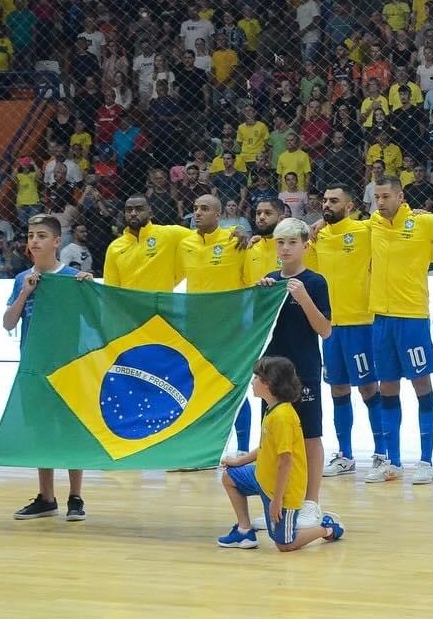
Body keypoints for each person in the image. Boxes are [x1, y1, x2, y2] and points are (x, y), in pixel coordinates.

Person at [4, 215, 87, 521]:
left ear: (56, 242)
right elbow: (8, 323)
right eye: (30, 235)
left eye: (41, 235)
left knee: (71, 430)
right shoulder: (21, 279)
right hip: (33, 368)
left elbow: (94, 323)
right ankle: (46, 497)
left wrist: (88, 292)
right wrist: (25, 291)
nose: (34, 241)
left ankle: (75, 497)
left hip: (67, 368)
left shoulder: (74, 278)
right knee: (40, 431)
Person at [366, 177, 433, 483]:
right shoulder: (372, 224)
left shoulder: (423, 223)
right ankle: (393, 462)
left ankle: (425, 461)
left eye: (386, 196)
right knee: (387, 388)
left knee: (421, 385)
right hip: (381, 319)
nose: (380, 202)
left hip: (412, 318)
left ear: (401, 197)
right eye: (377, 196)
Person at [216, 357, 344, 551]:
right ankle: (244, 531)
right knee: (229, 477)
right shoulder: (272, 410)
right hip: (263, 479)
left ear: (268, 384)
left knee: (285, 544)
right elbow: (266, 448)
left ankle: (326, 528)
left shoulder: (283, 417)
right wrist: (239, 461)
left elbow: (286, 462)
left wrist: (276, 502)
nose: (252, 382)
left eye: (256, 378)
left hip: (283, 492)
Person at [256, 218, 333, 527]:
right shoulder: (269, 281)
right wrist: (259, 298)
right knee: (272, 436)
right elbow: (256, 330)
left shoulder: (315, 282)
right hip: (271, 373)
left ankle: (311, 502)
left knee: (310, 435)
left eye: (291, 242)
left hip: (305, 369)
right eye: (280, 242)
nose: (285, 248)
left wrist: (303, 299)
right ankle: (274, 503)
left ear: (305, 245)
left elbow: (325, 330)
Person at [310, 186, 389, 483]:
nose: (327, 205)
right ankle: (345, 455)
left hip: (361, 323)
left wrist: (415, 213)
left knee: (369, 388)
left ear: (351, 205)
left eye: (334, 201)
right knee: (338, 389)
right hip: (331, 326)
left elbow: (392, 219)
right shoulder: (318, 237)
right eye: (325, 200)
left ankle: (382, 453)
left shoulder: (364, 229)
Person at [180, 194, 253, 451]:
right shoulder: (184, 242)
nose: (197, 213)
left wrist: (243, 230)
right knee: (199, 389)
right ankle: (202, 448)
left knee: (234, 386)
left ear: (219, 215)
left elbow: (252, 279)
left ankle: (242, 448)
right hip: (195, 330)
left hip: (230, 329)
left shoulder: (235, 240)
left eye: (205, 209)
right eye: (195, 208)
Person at [103, 194, 192, 289]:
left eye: (139, 209)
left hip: (159, 303)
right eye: (129, 210)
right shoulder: (114, 247)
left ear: (151, 214)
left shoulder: (170, 234)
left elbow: (202, 239)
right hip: (128, 303)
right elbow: (111, 289)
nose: (133, 213)